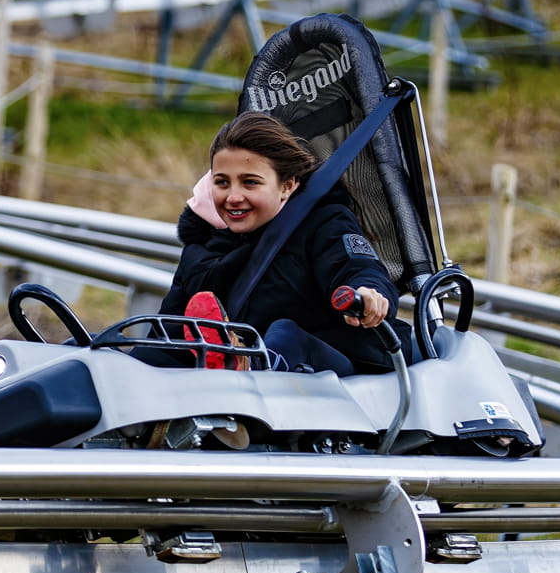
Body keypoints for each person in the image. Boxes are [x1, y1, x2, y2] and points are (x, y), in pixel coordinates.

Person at [161, 111, 401, 375]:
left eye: (250, 183)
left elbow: (358, 268)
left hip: (331, 369)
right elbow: (167, 334)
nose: (233, 197)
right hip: (234, 383)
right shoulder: (200, 249)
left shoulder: (323, 222)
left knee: (285, 333)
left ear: (286, 186)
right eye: (222, 183)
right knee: (152, 354)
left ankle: (250, 364)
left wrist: (367, 294)